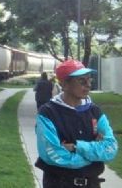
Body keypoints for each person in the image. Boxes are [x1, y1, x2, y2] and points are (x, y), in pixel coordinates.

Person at [35, 59, 118, 188]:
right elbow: (52, 155)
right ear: (64, 84)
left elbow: (111, 149)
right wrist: (93, 155)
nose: (88, 85)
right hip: (59, 184)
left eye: (89, 80)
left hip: (92, 184)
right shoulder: (47, 113)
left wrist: (76, 147)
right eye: (82, 81)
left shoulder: (94, 111)